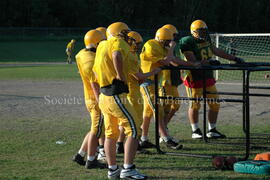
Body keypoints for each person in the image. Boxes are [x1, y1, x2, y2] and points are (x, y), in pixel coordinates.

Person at [93, 22, 147, 180]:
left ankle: (112, 169)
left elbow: (96, 71)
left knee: (111, 133)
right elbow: (116, 55)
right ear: (118, 33)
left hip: (104, 95)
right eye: (125, 33)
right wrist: (120, 75)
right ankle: (128, 169)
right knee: (135, 129)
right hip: (116, 94)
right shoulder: (117, 42)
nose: (127, 36)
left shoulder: (102, 45)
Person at [179, 20, 244, 139]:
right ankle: (195, 131)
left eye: (204, 31)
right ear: (193, 32)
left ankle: (212, 130)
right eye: (200, 31)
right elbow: (192, 60)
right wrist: (209, 62)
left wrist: (234, 58)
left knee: (215, 104)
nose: (203, 33)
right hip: (194, 76)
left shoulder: (207, 39)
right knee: (195, 105)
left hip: (207, 75)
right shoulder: (187, 41)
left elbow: (216, 50)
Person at [139, 27, 196, 150]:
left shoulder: (160, 46)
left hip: (155, 83)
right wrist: (171, 48)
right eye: (166, 41)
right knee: (157, 109)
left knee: (148, 113)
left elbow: (173, 60)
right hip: (147, 83)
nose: (168, 43)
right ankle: (166, 138)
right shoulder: (151, 44)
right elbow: (166, 61)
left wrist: (192, 64)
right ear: (160, 39)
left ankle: (143, 139)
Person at [116, 31, 161, 154]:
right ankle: (132, 146)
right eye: (137, 43)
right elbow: (138, 76)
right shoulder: (129, 55)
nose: (139, 46)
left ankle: (120, 145)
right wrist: (153, 72)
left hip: (132, 90)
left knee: (126, 122)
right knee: (135, 122)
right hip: (132, 92)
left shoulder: (130, 54)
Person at [72, 30, 107, 169]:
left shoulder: (82, 53)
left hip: (89, 98)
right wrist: (101, 102)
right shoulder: (91, 60)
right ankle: (91, 160)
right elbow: (94, 83)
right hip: (95, 98)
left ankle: (80, 155)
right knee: (97, 131)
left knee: (95, 128)